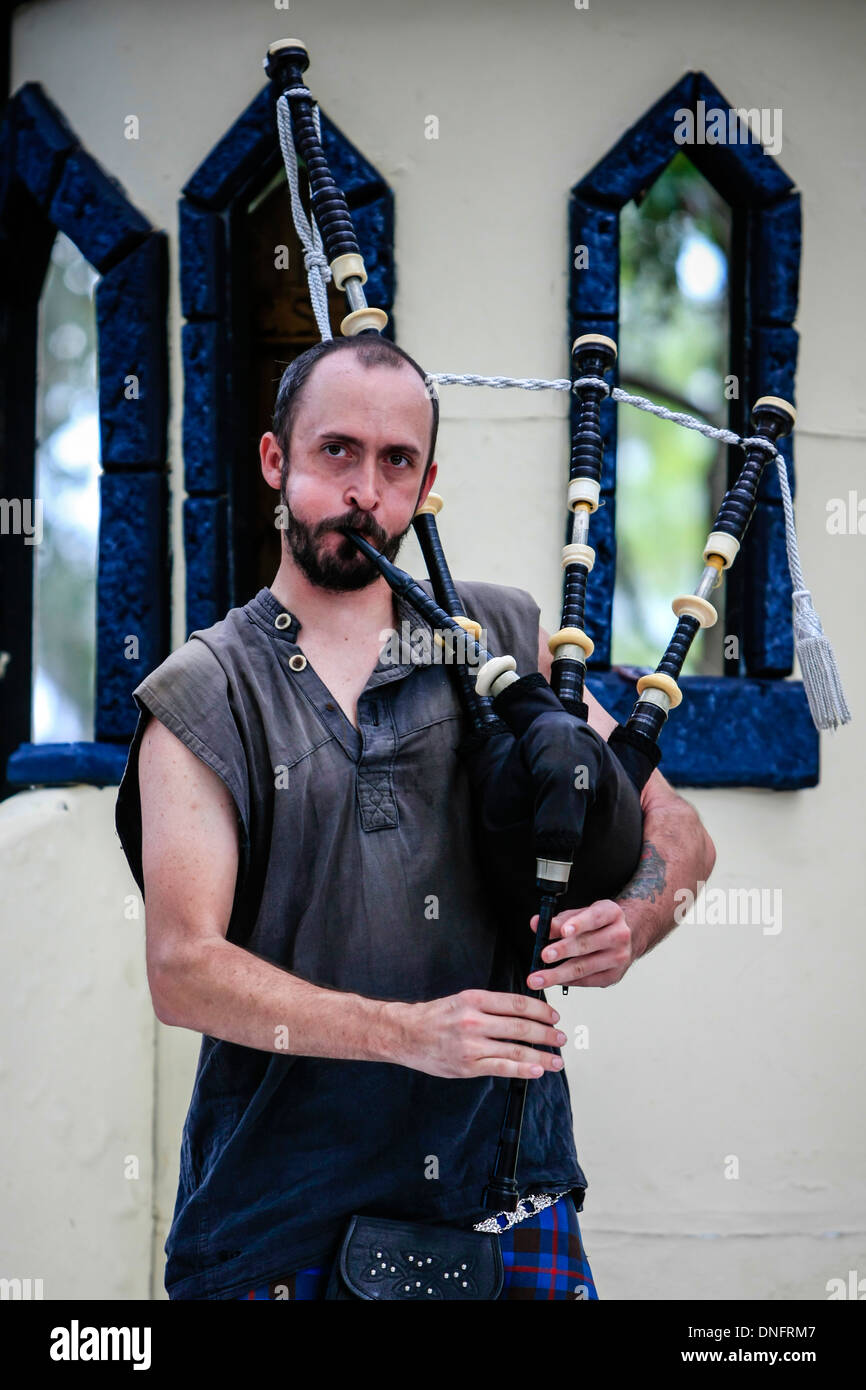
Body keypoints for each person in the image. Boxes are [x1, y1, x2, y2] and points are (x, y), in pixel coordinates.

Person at [115, 333, 716, 1301]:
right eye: (335, 451)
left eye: (394, 462)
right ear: (275, 461)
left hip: (509, 1208)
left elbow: (677, 829)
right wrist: (405, 1033)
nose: (364, 490)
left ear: (424, 481)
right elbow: (184, 969)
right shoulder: (205, 691)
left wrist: (634, 921)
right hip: (276, 1233)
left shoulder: (503, 636)